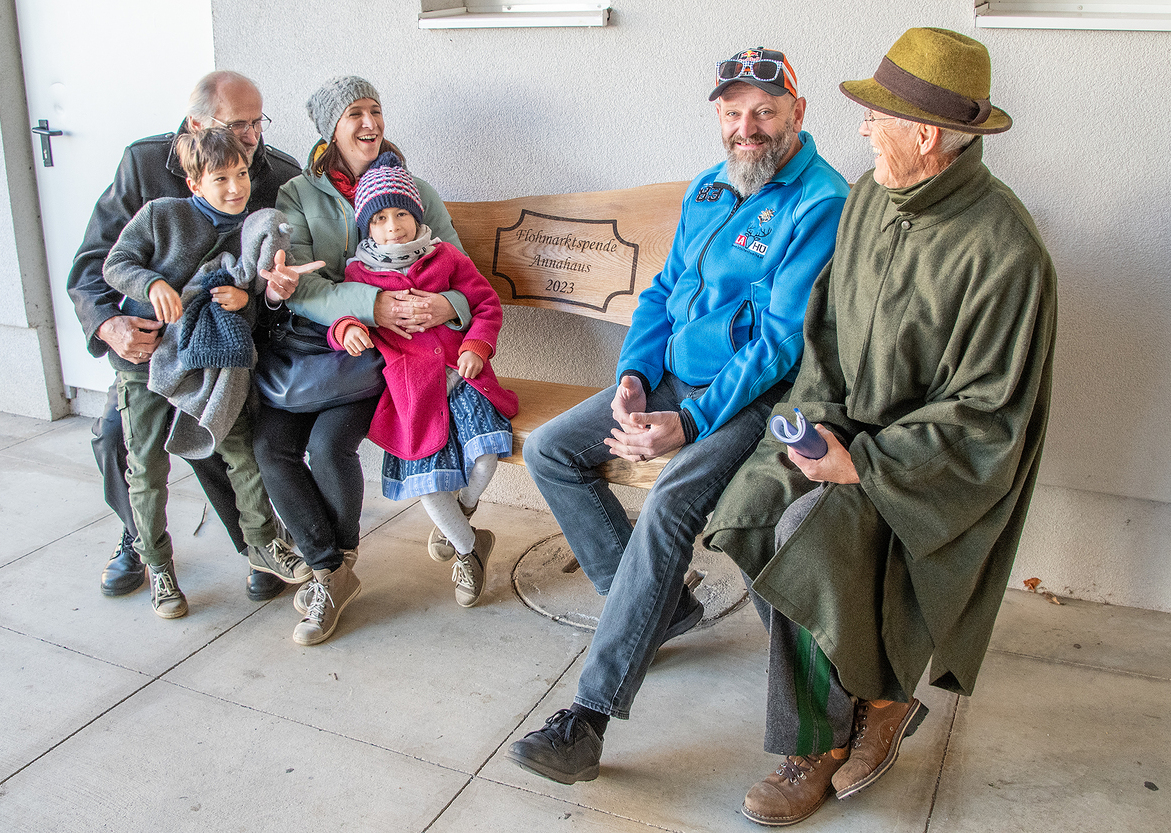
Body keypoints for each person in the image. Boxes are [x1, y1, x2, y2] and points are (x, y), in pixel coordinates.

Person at [704, 28, 1057, 827]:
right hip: (837, 430)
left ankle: (819, 739)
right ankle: (871, 692)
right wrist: (809, 427)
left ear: (927, 136)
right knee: (748, 505)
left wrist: (860, 463)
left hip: (925, 475)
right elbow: (827, 332)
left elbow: (986, 419)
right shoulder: (870, 196)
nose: (863, 128)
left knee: (803, 530)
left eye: (878, 116)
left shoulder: (1007, 251)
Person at [506, 48, 849, 784]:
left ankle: (589, 718)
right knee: (552, 450)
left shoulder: (819, 200)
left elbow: (781, 342)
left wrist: (689, 423)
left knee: (669, 502)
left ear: (796, 113)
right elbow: (663, 291)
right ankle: (661, 611)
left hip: (751, 398)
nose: (746, 128)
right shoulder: (710, 187)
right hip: (670, 379)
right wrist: (633, 376)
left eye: (763, 111)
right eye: (732, 112)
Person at [67, 70, 302, 602]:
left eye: (258, 123)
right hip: (150, 344)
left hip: (224, 341)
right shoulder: (145, 164)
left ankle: (256, 545)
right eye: (237, 125)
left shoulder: (275, 174)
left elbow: (271, 274)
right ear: (196, 124)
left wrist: (262, 298)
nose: (252, 138)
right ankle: (139, 540)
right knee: (118, 437)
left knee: (229, 429)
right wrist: (108, 325)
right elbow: (94, 263)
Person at [256, 75, 473, 646]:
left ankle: (331, 571)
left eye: (375, 110)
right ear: (331, 128)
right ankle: (330, 568)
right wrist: (371, 305)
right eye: (354, 113)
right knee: (270, 447)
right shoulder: (298, 195)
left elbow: (462, 276)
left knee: (329, 446)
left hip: (385, 356)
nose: (370, 123)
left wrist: (444, 306)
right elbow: (303, 286)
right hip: (316, 346)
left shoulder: (414, 189)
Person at [329, 151, 517, 619]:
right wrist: (347, 331)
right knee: (430, 484)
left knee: (486, 456)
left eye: (401, 215)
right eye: (380, 220)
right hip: (412, 392)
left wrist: (476, 347)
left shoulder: (445, 257)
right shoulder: (359, 273)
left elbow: (486, 304)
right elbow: (341, 317)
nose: (393, 227)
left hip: (463, 377)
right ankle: (469, 549)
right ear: (367, 228)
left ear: (417, 217)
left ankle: (463, 514)